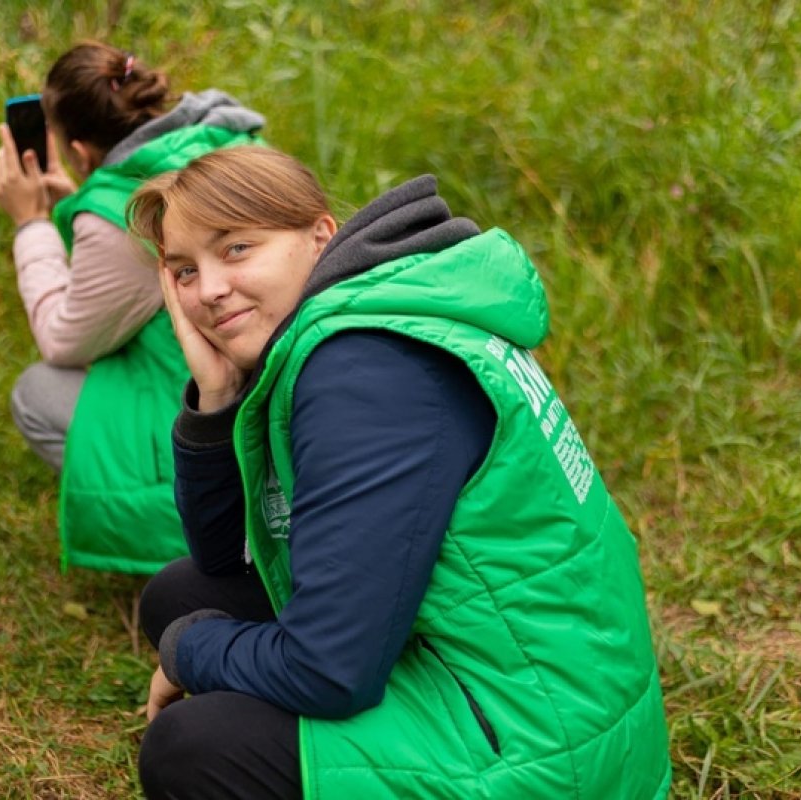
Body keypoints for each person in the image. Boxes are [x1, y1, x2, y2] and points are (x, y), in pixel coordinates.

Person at [128, 146, 671, 799]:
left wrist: (189, 649)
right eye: (185, 270)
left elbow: (327, 672)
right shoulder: (378, 312)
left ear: (320, 236)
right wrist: (215, 399)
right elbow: (223, 557)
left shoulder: (364, 372)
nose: (209, 291)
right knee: (183, 594)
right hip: (537, 677)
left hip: (541, 747)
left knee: (194, 748)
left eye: (238, 248)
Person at [0, 42, 265, 573]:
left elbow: (64, 339)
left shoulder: (121, 217)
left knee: (37, 391)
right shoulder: (226, 143)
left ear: (77, 147)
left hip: (220, 419)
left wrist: (32, 225)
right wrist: (84, 197)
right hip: (275, 393)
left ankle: (197, 536)